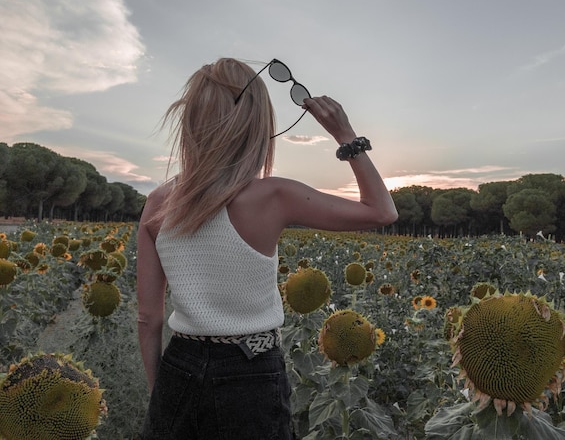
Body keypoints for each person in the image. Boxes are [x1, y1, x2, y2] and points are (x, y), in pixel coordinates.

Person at [137, 57, 398, 439]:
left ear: (191, 119)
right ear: (256, 124)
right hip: (250, 368)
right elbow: (381, 211)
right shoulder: (275, 195)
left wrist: (160, 394)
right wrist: (346, 136)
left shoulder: (159, 202)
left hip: (180, 364)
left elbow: (148, 319)